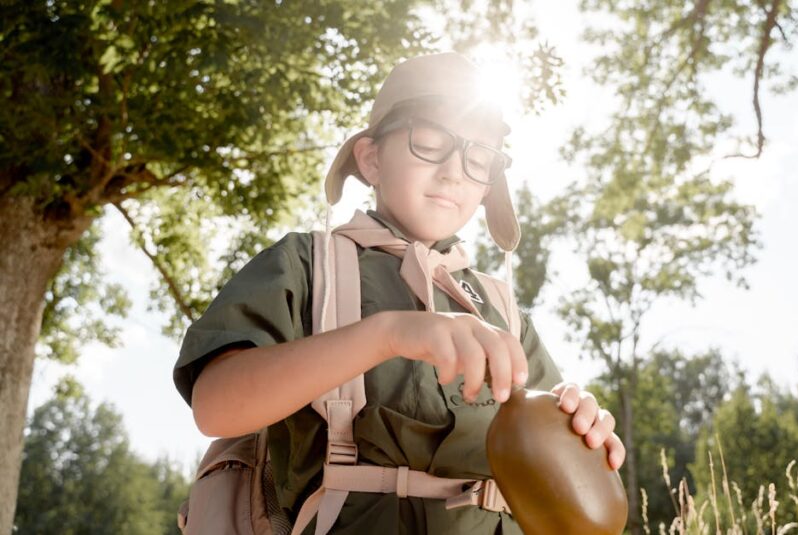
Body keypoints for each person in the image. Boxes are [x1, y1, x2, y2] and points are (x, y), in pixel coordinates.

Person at [172, 52, 625, 534]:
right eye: (430, 142)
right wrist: (387, 334)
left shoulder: (502, 309)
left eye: (479, 159)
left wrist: (583, 426)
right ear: (370, 159)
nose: (454, 171)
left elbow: (561, 472)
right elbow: (216, 406)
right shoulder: (308, 265)